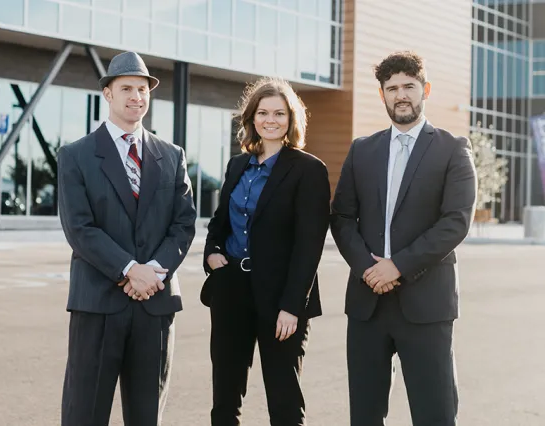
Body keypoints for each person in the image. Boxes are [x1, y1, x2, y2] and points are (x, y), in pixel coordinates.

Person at [330, 51, 477, 426]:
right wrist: (369, 268)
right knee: (364, 415)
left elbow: (455, 222)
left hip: (426, 306)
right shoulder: (362, 149)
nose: (401, 95)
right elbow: (343, 217)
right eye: (392, 87)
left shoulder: (453, 148)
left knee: (435, 415)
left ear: (424, 89)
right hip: (367, 304)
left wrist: (398, 266)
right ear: (382, 94)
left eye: (408, 86)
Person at [57, 51, 196, 426]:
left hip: (155, 305)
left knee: (147, 415)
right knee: (84, 413)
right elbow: (79, 228)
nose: (137, 96)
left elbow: (183, 224)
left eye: (143, 89)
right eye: (127, 88)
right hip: (99, 304)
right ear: (108, 93)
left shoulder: (171, 155)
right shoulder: (76, 155)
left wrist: (151, 271)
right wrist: (129, 269)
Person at [200, 77, 330, 426]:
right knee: (224, 398)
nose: (270, 120)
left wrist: (291, 306)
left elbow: (309, 245)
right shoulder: (237, 166)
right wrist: (212, 254)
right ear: (251, 118)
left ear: (291, 119)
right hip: (231, 289)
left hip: (281, 297)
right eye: (263, 112)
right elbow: (218, 222)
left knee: (284, 399)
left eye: (279, 113)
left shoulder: (309, 170)